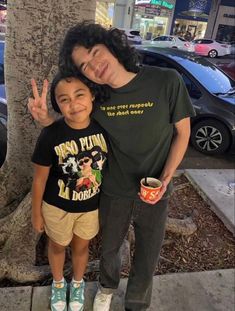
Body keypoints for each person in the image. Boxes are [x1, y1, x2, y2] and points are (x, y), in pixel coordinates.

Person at [28, 21, 195, 311]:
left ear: (112, 45)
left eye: (94, 52)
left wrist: (166, 177)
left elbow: (183, 132)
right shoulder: (98, 98)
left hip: (155, 189)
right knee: (109, 249)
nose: (93, 66)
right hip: (113, 190)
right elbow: (71, 130)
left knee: (148, 251)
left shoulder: (166, 81)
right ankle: (106, 287)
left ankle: (137, 302)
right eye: (84, 65)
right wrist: (44, 119)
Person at [31, 72, 108, 311]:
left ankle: (77, 283)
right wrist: (36, 213)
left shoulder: (104, 128)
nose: (74, 104)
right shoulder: (51, 135)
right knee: (57, 246)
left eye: (79, 94)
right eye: (64, 99)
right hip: (56, 208)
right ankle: (57, 284)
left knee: (81, 247)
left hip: (89, 207)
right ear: (58, 106)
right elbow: (39, 180)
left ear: (92, 95)